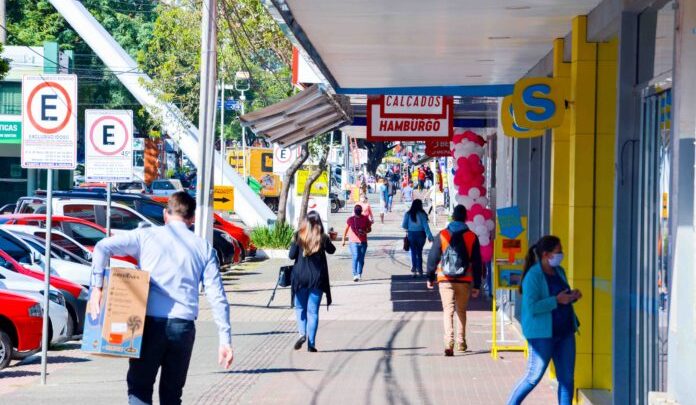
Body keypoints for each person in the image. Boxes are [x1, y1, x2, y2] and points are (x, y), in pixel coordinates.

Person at [88, 191, 233, 405]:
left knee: (139, 389)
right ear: (192, 219)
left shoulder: (145, 236)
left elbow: (102, 247)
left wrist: (97, 288)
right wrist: (225, 340)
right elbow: (217, 297)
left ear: (165, 214)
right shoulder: (204, 248)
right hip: (183, 327)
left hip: (146, 325)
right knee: (172, 395)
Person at [506, 236, 581, 405]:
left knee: (567, 379)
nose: (561, 254)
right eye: (558, 251)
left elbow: (561, 295)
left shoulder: (559, 271)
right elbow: (531, 307)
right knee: (533, 376)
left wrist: (572, 297)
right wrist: (556, 300)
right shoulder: (533, 276)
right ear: (546, 254)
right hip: (542, 334)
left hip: (565, 332)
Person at [426, 204, 482, 356]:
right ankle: (461, 342)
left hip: (445, 279)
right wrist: (477, 284)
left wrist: (430, 277)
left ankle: (448, 342)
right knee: (461, 311)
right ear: (466, 218)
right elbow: (477, 262)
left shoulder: (442, 235)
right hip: (465, 279)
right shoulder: (471, 236)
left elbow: (432, 258)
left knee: (448, 311)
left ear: (452, 217)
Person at [289, 211, 336, 353]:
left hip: (300, 278)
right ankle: (311, 344)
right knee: (313, 312)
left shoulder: (298, 236)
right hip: (317, 279)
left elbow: (291, 256)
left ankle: (302, 334)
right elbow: (332, 250)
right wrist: (329, 238)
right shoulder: (323, 237)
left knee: (300, 308)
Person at [402, 199, 433, 277]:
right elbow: (426, 226)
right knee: (419, 252)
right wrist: (430, 236)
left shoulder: (408, 214)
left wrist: (409, 226)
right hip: (421, 235)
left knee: (413, 252)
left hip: (411, 235)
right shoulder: (423, 214)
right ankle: (420, 270)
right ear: (420, 205)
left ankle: (414, 269)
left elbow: (404, 225)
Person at [342, 204, 371, 282]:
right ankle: (355, 274)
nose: (357, 211)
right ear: (354, 211)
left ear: (361, 211)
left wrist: (364, 231)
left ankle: (359, 274)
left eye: (359, 210)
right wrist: (343, 239)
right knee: (356, 256)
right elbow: (346, 229)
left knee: (361, 259)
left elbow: (369, 229)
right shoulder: (350, 219)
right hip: (353, 242)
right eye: (356, 210)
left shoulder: (365, 218)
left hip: (363, 242)